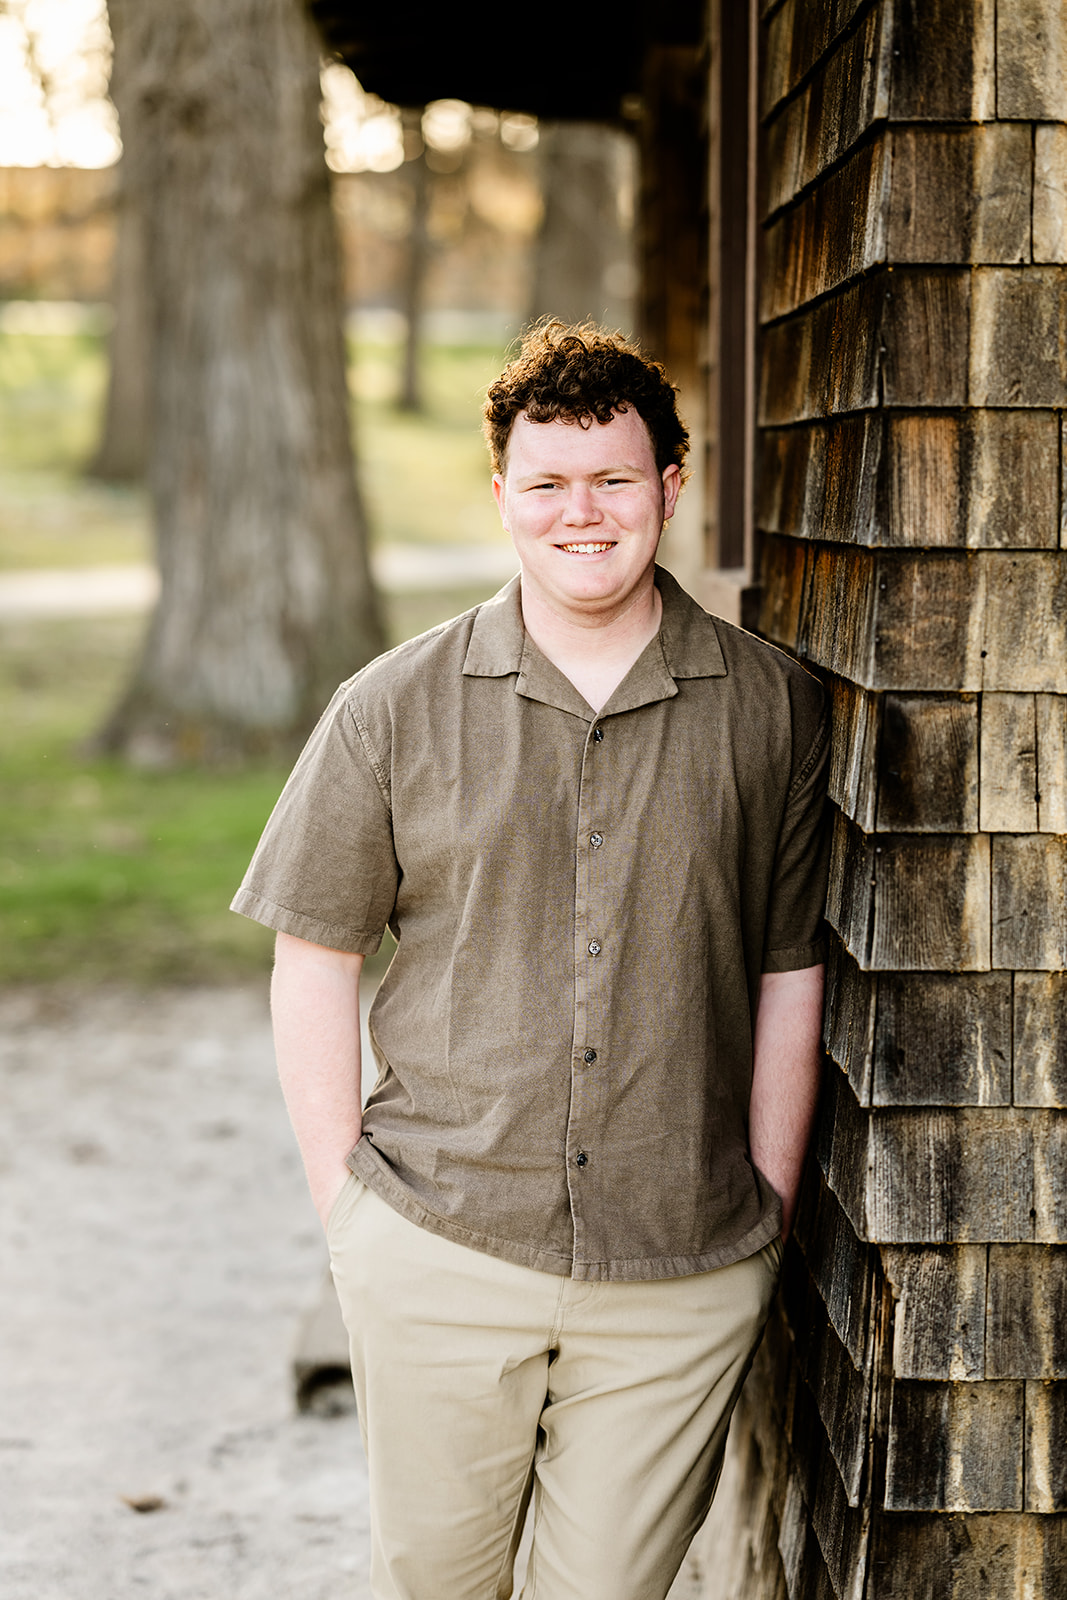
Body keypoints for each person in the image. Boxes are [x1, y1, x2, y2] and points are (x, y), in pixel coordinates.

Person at [232, 321, 829, 1600]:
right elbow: (313, 956)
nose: (582, 512)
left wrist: (766, 1211)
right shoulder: (390, 707)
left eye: (614, 478)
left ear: (671, 485)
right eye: (547, 482)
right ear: (501, 493)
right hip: (440, 1241)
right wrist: (349, 1216)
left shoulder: (770, 706)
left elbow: (787, 969)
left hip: (681, 1266)